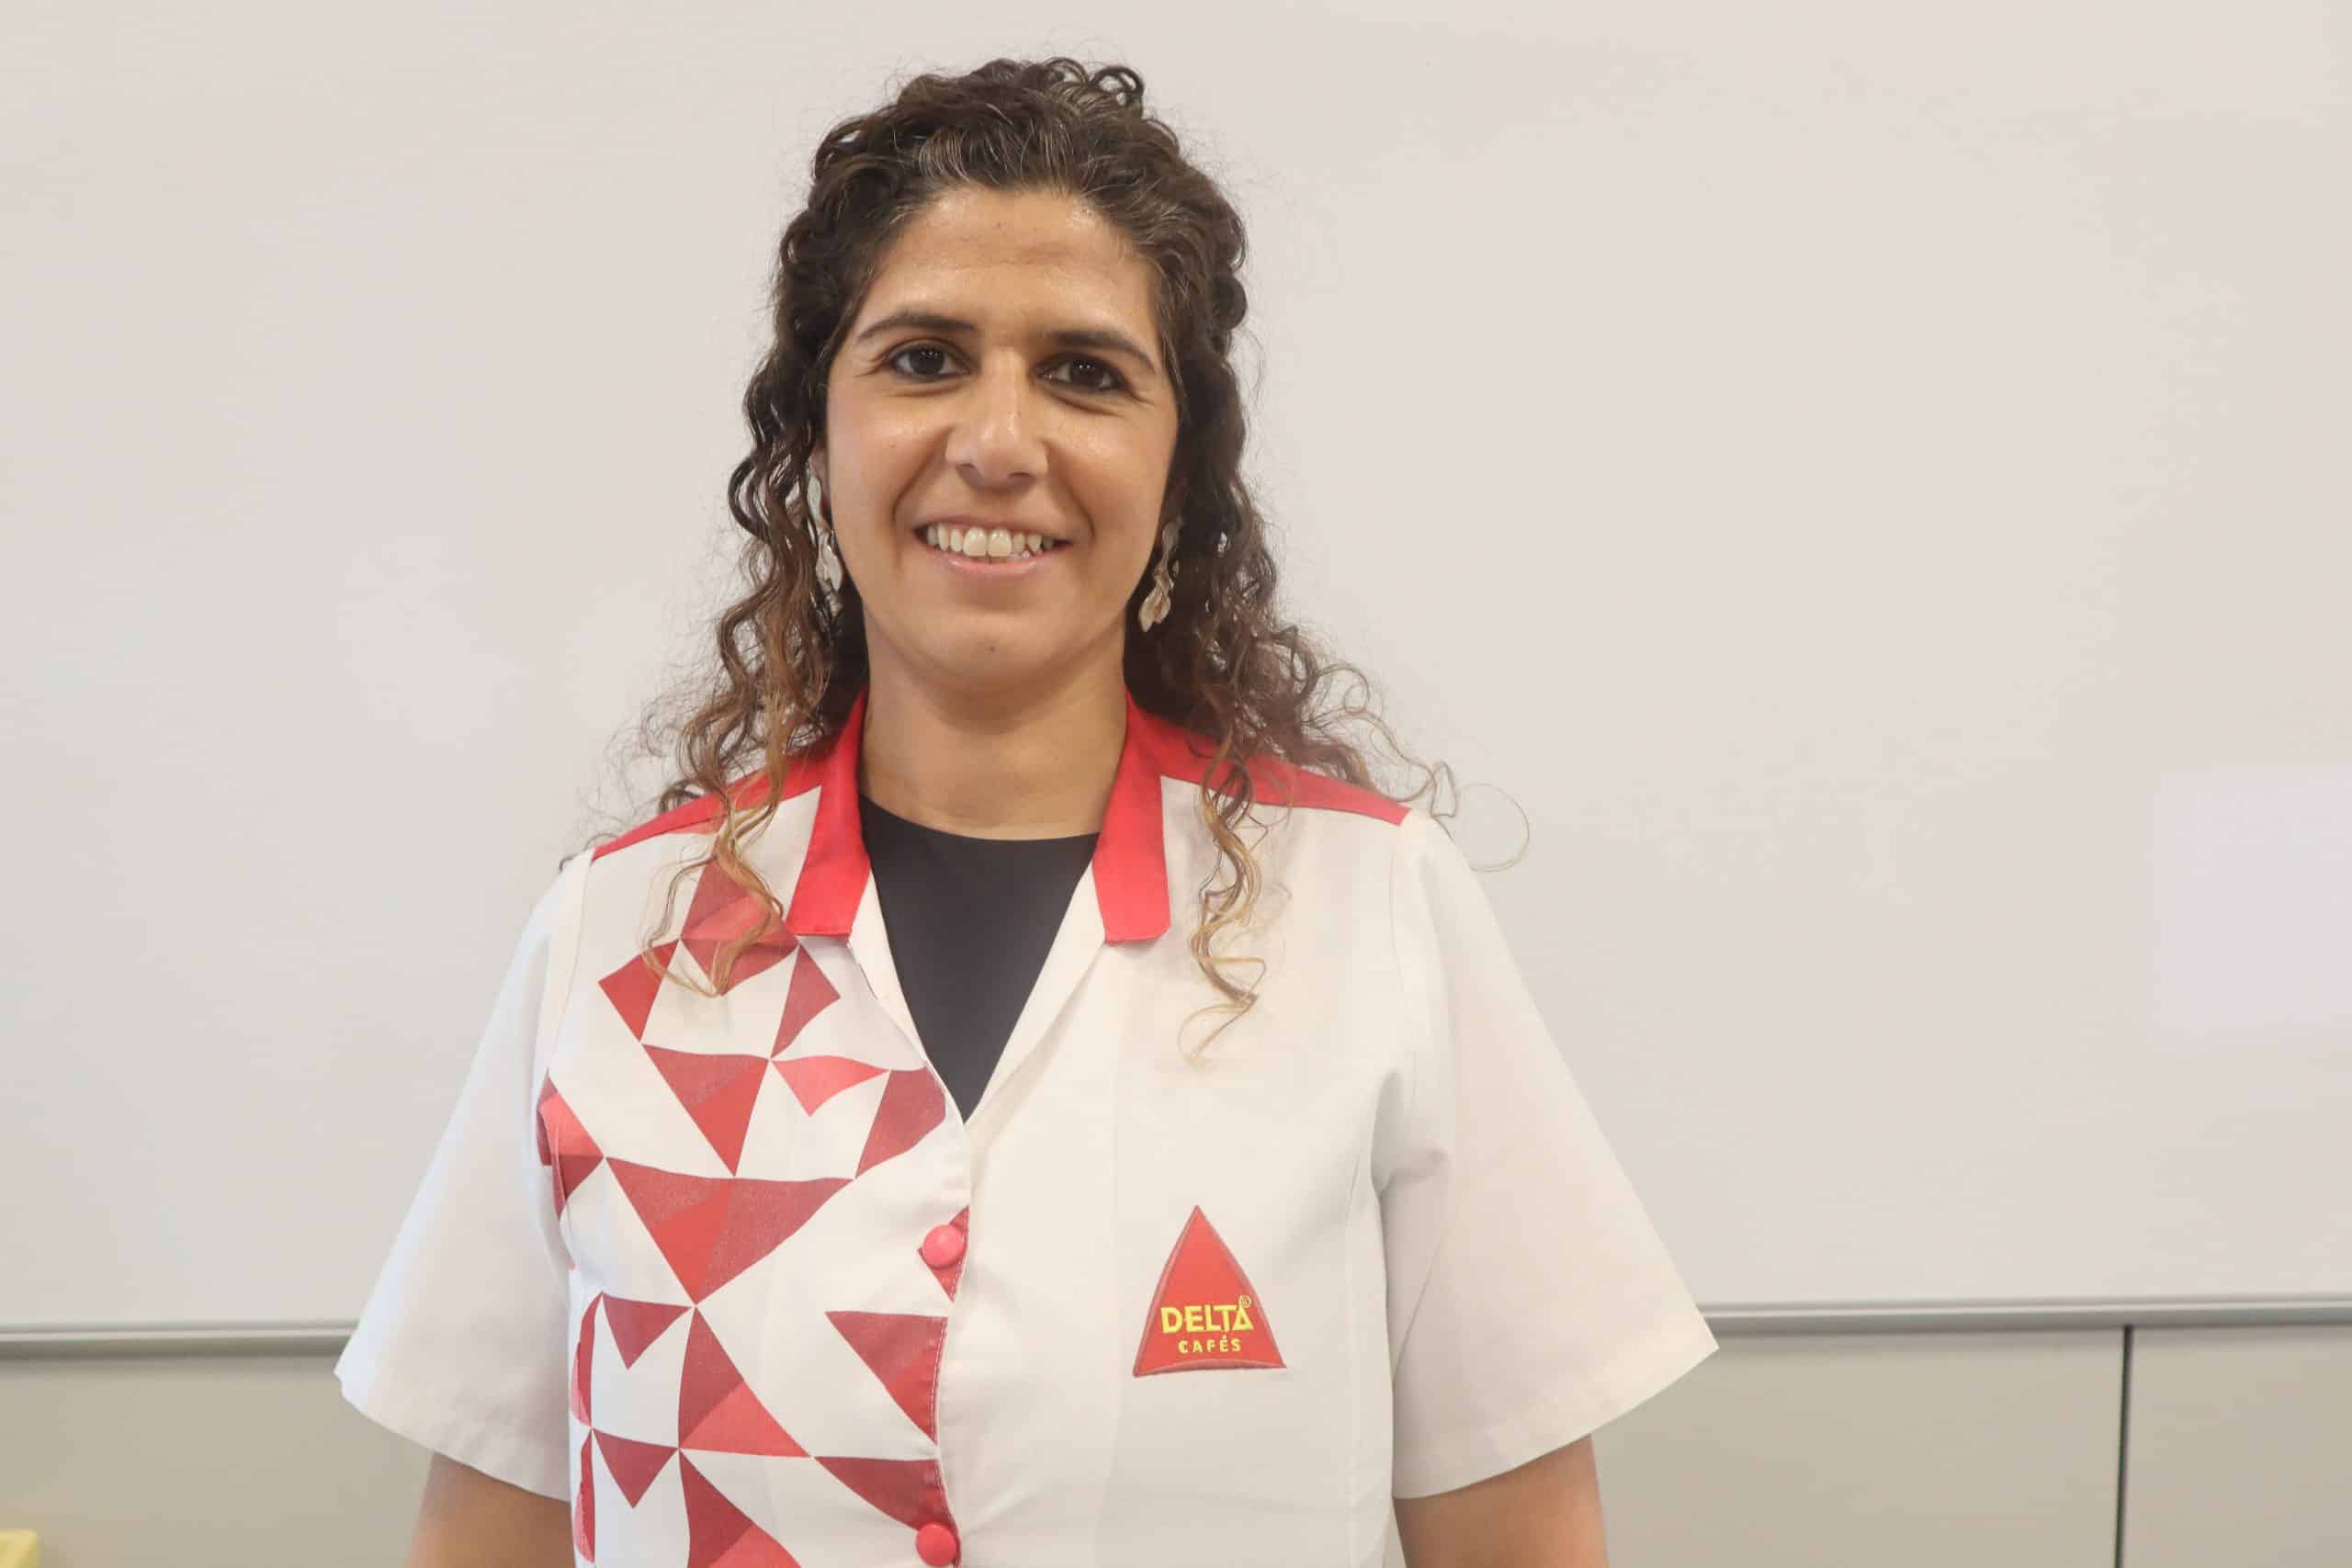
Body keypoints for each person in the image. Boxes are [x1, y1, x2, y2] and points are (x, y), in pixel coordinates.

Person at [335, 56, 1716, 1568]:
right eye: (926, 359)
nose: (999, 443)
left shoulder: (1375, 913)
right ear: (815, 438)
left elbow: (1520, 1538)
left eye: (1086, 373)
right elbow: (490, 1531)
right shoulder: (619, 937)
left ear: (1182, 470)